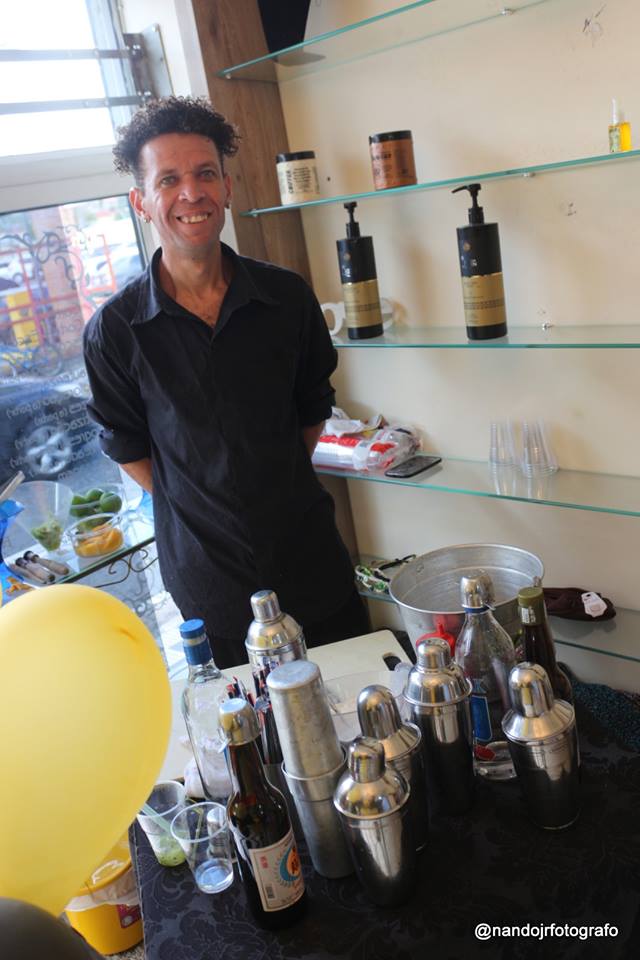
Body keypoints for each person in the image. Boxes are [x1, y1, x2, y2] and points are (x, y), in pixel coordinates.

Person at [83, 96, 369, 668]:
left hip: (311, 561)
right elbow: (128, 448)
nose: (192, 193)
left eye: (205, 173)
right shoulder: (115, 331)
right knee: (249, 722)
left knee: (356, 699)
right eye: (169, 180)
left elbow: (312, 408)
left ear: (228, 187)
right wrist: (203, 500)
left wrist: (269, 483)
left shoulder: (287, 298)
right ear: (141, 202)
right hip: (209, 585)